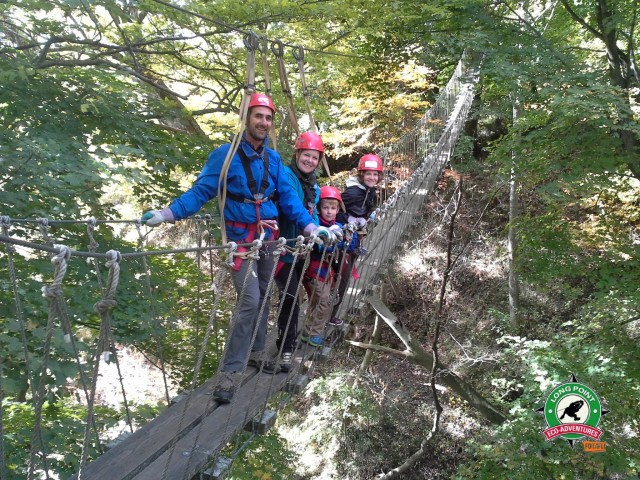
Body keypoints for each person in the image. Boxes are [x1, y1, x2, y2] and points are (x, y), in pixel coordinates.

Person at [141, 93, 330, 403]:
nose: (264, 122)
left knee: (264, 295)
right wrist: (167, 214)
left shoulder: (273, 161)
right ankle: (231, 372)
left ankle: (256, 351)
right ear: (246, 117)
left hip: (269, 237)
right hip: (241, 238)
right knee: (249, 298)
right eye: (259, 116)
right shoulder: (224, 156)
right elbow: (201, 191)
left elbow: (289, 199)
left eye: (268, 118)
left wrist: (312, 226)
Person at [273, 131, 323, 372]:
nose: (310, 161)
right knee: (290, 296)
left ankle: (293, 338)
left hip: (301, 250)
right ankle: (286, 347)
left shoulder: (314, 186)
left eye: (315, 158)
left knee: (298, 296)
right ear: (297, 154)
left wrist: (321, 236)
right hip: (281, 248)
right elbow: (290, 204)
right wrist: (311, 229)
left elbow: (312, 212)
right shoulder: (287, 176)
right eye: (307, 155)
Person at [301, 186, 356, 347]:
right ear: (319, 209)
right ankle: (314, 333)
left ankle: (307, 331)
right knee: (323, 301)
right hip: (315, 271)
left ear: (338, 209)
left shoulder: (338, 225)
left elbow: (350, 246)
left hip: (328, 272)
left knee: (318, 301)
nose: (329, 211)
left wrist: (348, 235)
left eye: (333, 208)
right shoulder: (315, 227)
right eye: (325, 207)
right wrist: (333, 239)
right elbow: (320, 247)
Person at [332, 153, 383, 324]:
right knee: (341, 277)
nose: (372, 177)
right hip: (343, 241)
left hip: (354, 240)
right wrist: (349, 220)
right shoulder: (353, 192)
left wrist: (367, 218)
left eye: (375, 174)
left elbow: (364, 211)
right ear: (361, 174)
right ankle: (330, 315)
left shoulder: (371, 192)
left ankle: (331, 313)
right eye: (368, 173)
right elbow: (333, 211)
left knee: (343, 277)